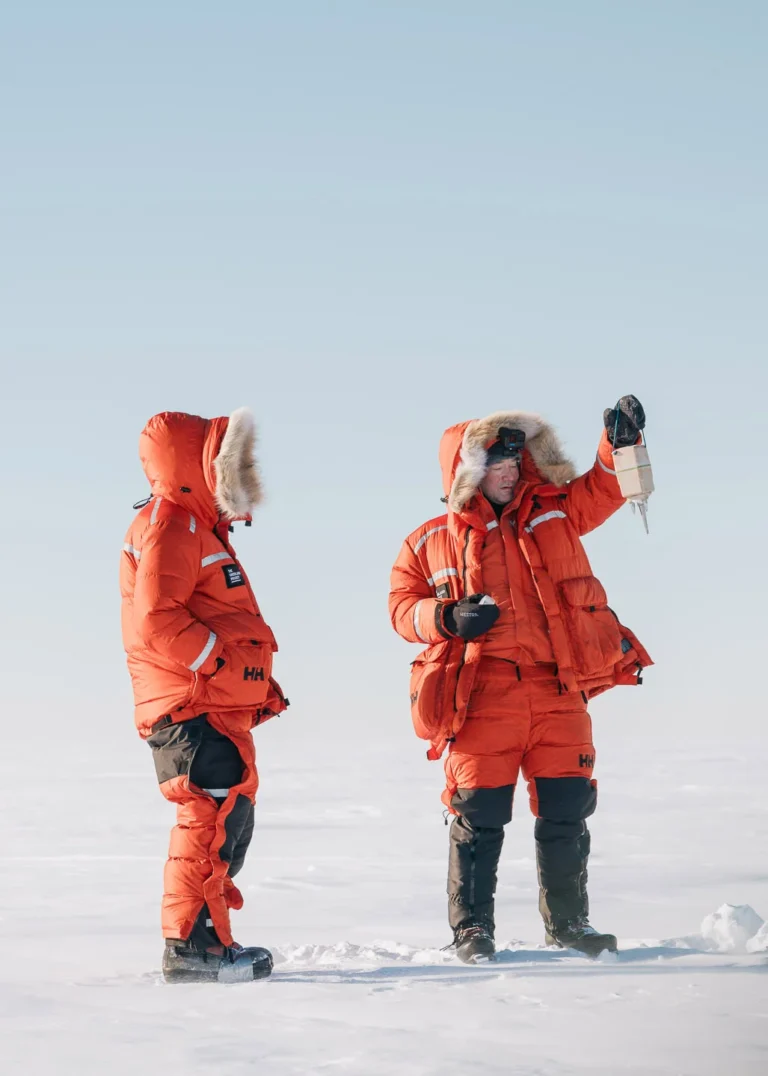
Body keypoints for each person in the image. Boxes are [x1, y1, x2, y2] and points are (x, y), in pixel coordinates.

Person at [389, 397, 652, 963]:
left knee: (567, 808)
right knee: (478, 816)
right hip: (482, 697)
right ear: (467, 471)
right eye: (497, 465)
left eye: (515, 463)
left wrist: (619, 446)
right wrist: (446, 617)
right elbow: (401, 609)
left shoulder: (554, 513)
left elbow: (603, 489)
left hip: (558, 690)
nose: (509, 474)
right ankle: (472, 931)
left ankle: (570, 925)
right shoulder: (427, 540)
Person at [120, 408, 288, 983]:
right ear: (198, 465)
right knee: (208, 823)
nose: (241, 472)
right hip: (192, 705)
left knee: (225, 825)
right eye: (230, 461)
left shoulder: (194, 526)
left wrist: (253, 682)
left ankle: (208, 943)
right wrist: (218, 664)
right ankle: (193, 951)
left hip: (210, 705)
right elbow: (157, 619)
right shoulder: (172, 523)